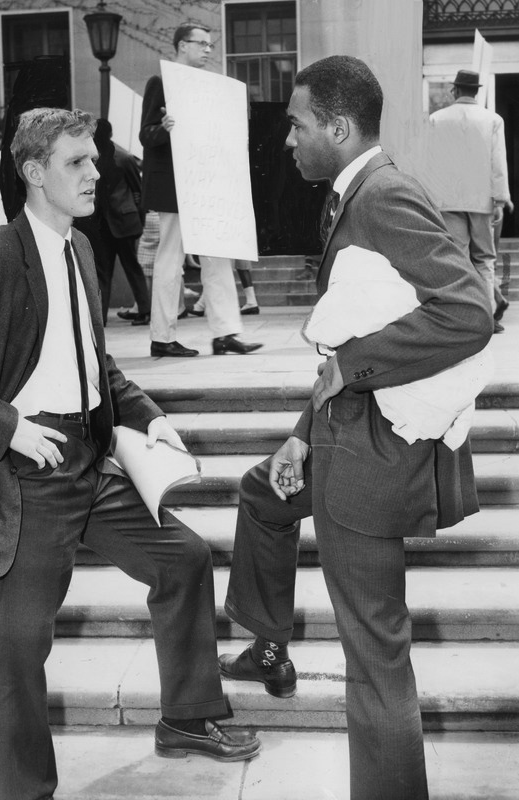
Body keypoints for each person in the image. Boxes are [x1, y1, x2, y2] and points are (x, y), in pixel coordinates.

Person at [0, 107, 260, 800]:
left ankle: (187, 716)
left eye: (93, 158)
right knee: (17, 651)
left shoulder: (80, 252)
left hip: (88, 461)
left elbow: (93, 363)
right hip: (25, 471)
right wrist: (6, 426)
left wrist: (148, 417)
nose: (96, 172)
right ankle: (25, 790)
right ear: (36, 173)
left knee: (183, 560)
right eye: (78, 162)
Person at [218, 56, 492, 800]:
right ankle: (268, 642)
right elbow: (349, 334)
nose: (288, 139)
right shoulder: (354, 192)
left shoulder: (384, 193)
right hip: (339, 434)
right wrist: (303, 429)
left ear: (338, 128)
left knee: (374, 662)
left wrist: (356, 366)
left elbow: (468, 311)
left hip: (369, 458)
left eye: (297, 125)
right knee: (261, 493)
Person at [140, 22, 262, 357]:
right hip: (174, 187)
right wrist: (164, 129)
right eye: (202, 44)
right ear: (182, 45)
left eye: (210, 45)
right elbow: (146, 136)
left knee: (218, 258)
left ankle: (225, 333)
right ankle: (162, 338)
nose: (209, 50)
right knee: (170, 259)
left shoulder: (210, 87)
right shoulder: (161, 82)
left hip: (206, 184)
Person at [427, 69, 511, 331]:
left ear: (455, 90)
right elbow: (497, 163)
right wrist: (501, 199)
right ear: (477, 91)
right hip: (481, 199)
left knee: (460, 258)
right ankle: (486, 316)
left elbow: (431, 163)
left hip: (448, 199)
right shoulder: (492, 120)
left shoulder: (436, 119)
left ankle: (466, 317)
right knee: (485, 259)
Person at [92, 118, 151, 326]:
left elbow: (138, 191)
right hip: (103, 225)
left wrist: (138, 221)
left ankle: (145, 310)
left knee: (131, 266)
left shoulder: (123, 158)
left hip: (124, 223)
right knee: (103, 271)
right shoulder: (92, 159)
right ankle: (100, 317)